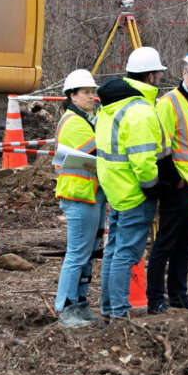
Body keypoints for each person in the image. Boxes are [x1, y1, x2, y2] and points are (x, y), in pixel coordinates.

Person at [96, 46, 167, 319]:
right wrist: (155, 187)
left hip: (115, 190)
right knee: (125, 255)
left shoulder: (112, 105)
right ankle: (119, 312)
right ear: (150, 77)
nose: (160, 78)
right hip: (135, 194)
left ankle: (108, 309)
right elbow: (143, 163)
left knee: (114, 252)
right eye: (159, 73)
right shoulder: (140, 111)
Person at [145, 46, 188, 314]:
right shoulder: (169, 102)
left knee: (185, 244)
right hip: (178, 186)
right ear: (183, 71)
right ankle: (155, 299)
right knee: (164, 243)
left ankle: (177, 295)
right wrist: (175, 182)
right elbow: (162, 148)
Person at [52, 69, 107, 327]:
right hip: (79, 196)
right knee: (77, 254)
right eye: (85, 92)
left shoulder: (84, 120)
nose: (91, 96)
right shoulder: (73, 123)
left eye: (92, 91)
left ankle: (80, 304)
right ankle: (65, 308)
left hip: (90, 194)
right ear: (72, 96)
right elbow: (100, 148)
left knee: (87, 254)